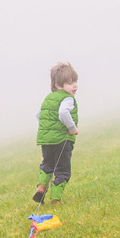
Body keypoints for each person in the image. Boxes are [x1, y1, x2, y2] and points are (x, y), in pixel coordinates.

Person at [33, 62, 79, 205]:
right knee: (62, 169)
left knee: (47, 164)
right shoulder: (67, 99)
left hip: (46, 140)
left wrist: (48, 130)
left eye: (75, 82)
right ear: (59, 86)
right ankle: (56, 200)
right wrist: (72, 128)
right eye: (70, 83)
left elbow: (38, 115)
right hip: (61, 140)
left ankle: (41, 188)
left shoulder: (49, 97)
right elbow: (63, 113)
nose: (75, 86)